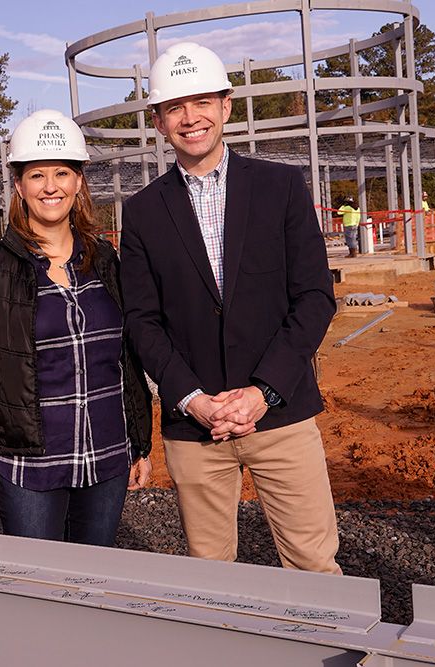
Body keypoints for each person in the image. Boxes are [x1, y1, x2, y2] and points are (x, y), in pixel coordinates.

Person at [120, 42, 341, 574]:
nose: (189, 118)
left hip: (280, 416)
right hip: (196, 429)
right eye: (175, 107)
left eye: (201, 102)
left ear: (226, 105)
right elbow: (142, 321)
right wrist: (193, 400)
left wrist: (264, 392)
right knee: (211, 576)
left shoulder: (280, 188)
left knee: (314, 566)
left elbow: (314, 296)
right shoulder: (143, 211)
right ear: (158, 120)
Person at [0, 109, 153, 547]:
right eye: (36, 175)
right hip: (29, 464)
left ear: (78, 182)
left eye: (62, 173)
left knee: (92, 578)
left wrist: (139, 443)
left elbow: (126, 360)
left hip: (106, 455)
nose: (50, 186)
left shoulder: (105, 262)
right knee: (35, 584)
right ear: (19, 186)